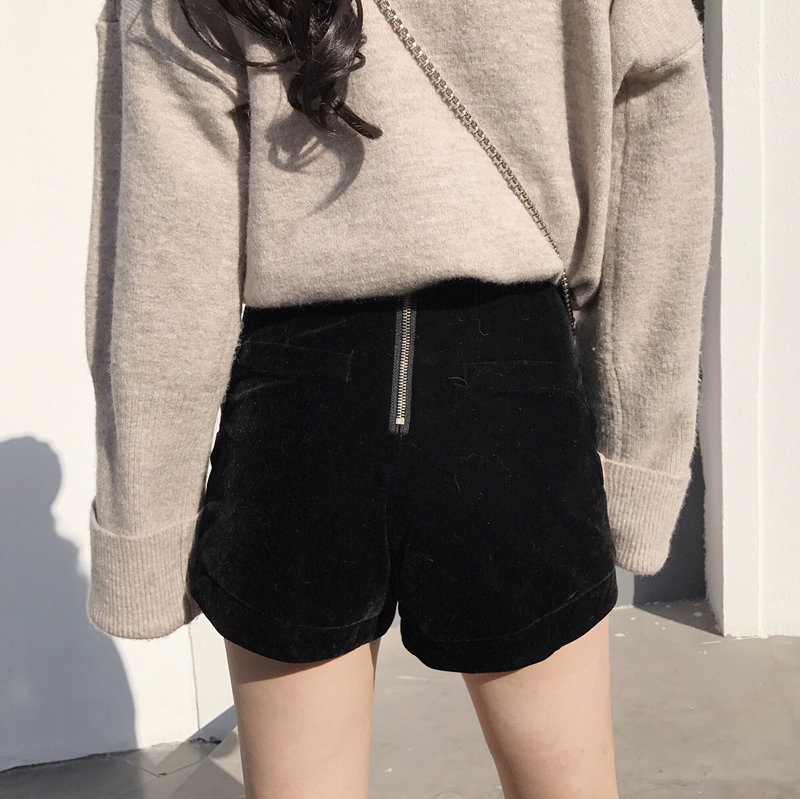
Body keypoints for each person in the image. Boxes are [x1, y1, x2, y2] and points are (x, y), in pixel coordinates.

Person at [83, 0, 715, 796]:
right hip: (511, 396)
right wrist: (639, 452)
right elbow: (659, 145)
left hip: (299, 410)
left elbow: (165, 255)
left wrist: (146, 523)